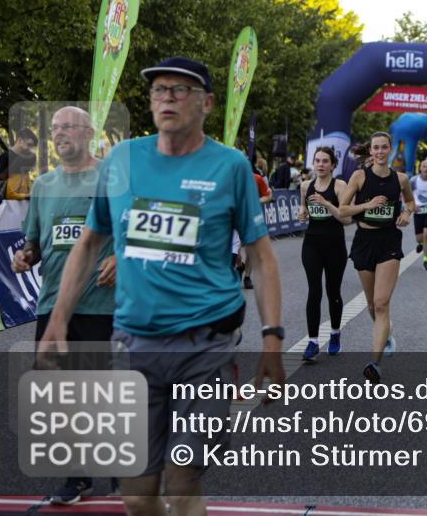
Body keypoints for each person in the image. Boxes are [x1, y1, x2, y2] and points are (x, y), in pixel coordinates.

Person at [38, 57, 285, 516]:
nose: (166, 98)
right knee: (136, 493)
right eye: (159, 90)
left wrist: (273, 337)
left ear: (207, 103)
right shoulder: (124, 159)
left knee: (182, 476)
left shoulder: (229, 166)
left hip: (205, 344)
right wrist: (58, 319)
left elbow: (262, 257)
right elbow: (90, 241)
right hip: (133, 344)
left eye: (180, 90)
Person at [11, 106, 117, 505]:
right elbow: (35, 243)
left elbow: (133, 229)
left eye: (67, 127)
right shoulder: (43, 186)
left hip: (101, 304)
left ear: (88, 132)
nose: (58, 135)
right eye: (54, 129)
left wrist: (119, 256)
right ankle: (78, 477)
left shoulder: (112, 178)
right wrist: (24, 256)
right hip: (53, 304)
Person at [339, 131, 415, 384]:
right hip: (364, 241)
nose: (381, 152)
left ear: (390, 150)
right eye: (376, 148)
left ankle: (375, 363)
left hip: (389, 241)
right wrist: (366, 206)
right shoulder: (359, 176)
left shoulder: (401, 179)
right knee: (372, 305)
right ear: (370, 151)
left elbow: (411, 203)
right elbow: (342, 209)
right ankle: (387, 333)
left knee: (381, 303)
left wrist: (406, 213)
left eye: (385, 147)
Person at [296, 146, 352, 360]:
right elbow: (303, 208)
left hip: (335, 245)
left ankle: (335, 333)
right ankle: (312, 341)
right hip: (311, 244)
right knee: (314, 291)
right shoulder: (305, 186)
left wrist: (327, 204)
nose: (320, 164)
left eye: (325, 161)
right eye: (317, 160)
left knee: (333, 292)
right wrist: (302, 213)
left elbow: (347, 219)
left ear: (332, 165)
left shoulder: (340, 186)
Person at [241, 161, 274, 289]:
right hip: (235, 218)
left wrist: (255, 201)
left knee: (251, 249)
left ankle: (247, 277)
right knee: (235, 250)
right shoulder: (230, 178)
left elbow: (268, 196)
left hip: (253, 218)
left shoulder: (257, 178)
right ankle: (239, 265)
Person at [0, 127, 38, 200]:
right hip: (6, 200)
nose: (30, 148)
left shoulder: (26, 158)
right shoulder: (6, 156)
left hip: (21, 200)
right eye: (28, 144)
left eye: (32, 146)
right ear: (20, 140)